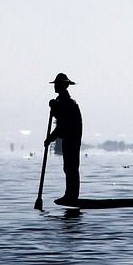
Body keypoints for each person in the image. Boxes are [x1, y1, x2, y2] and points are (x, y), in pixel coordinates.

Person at [45, 72, 82, 205]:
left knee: (71, 167)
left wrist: (51, 138)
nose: (55, 87)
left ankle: (72, 195)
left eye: (57, 84)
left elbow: (63, 123)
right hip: (68, 138)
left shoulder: (68, 103)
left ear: (63, 86)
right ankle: (70, 194)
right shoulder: (61, 101)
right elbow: (60, 120)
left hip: (72, 139)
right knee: (68, 167)